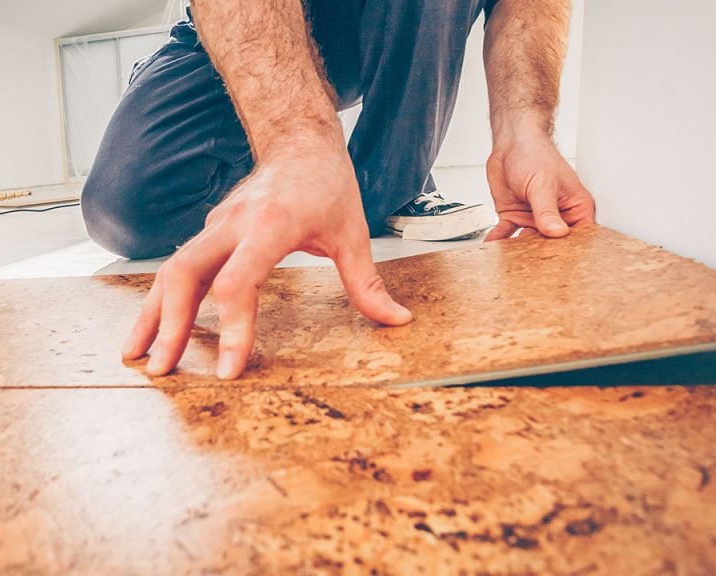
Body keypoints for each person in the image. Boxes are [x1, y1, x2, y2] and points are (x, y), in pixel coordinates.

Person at [81, 0, 596, 380]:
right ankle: (290, 170)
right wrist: (295, 142)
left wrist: (523, 129)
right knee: (126, 208)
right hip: (248, 19)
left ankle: (386, 188)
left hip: (392, 16)